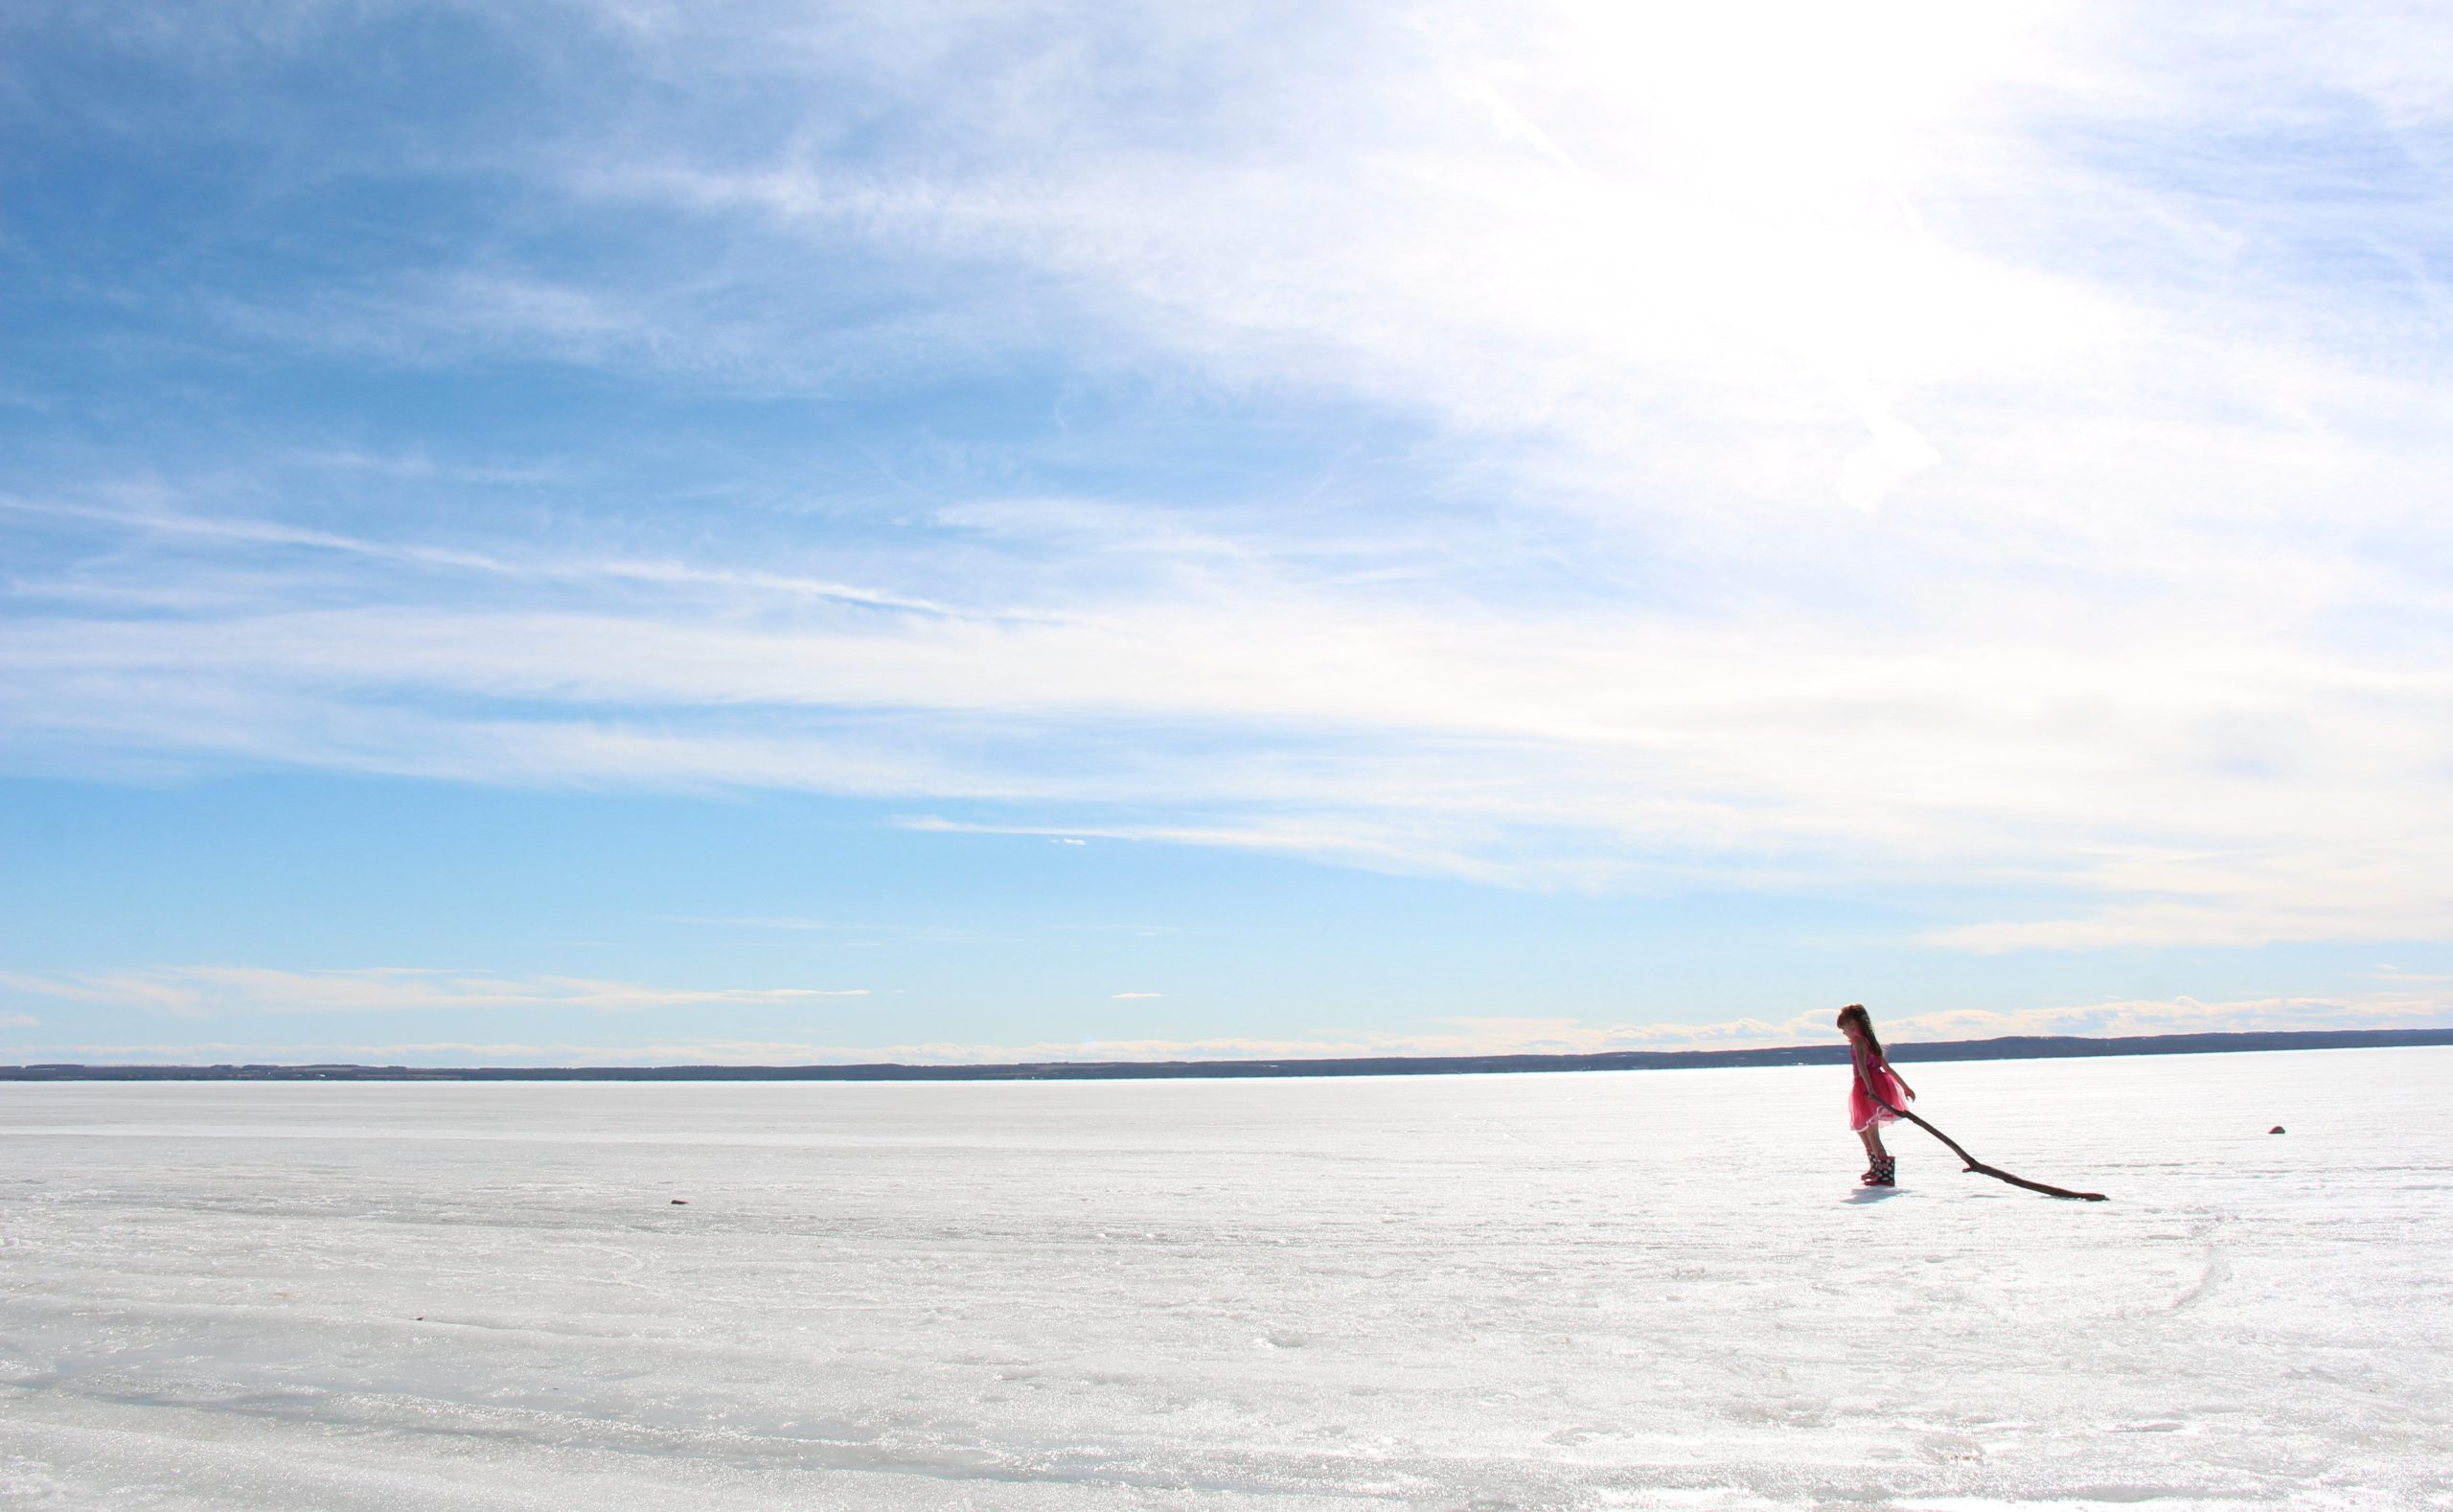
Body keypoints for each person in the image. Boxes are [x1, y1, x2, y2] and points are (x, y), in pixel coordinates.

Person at [1837, 1003, 1915, 1186]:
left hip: (1866, 1086)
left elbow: (1864, 1066)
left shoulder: (1859, 1041)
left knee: (1871, 1133)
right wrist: (1905, 1087)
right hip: (1868, 1085)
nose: (1844, 1033)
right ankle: (1876, 1167)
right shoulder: (1869, 1041)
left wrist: (1870, 1089)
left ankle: (1884, 1173)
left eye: (1844, 1027)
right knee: (1862, 1129)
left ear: (1853, 1023)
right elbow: (1887, 1069)